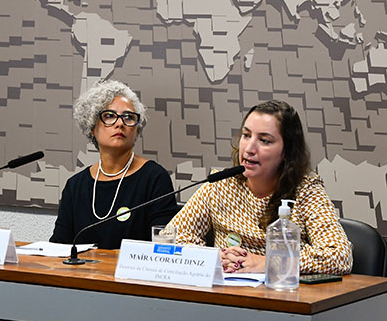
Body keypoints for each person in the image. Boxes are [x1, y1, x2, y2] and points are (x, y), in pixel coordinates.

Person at [169, 100, 352, 274]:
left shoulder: (307, 191)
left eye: (264, 140)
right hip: (226, 296)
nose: (249, 148)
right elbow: (169, 239)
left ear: (287, 152)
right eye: (246, 135)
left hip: (283, 296)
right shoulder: (220, 185)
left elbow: (339, 256)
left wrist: (268, 262)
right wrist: (214, 258)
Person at [51, 80, 178, 247]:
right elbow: (59, 247)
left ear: (137, 129)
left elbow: (163, 246)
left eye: (129, 117)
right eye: (109, 116)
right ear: (91, 127)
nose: (120, 124)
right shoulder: (75, 186)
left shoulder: (154, 178)